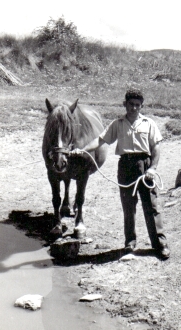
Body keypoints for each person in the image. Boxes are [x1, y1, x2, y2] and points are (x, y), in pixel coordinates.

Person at [70, 88, 170, 259]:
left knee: (152, 206)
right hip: (125, 166)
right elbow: (101, 140)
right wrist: (82, 150)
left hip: (144, 165)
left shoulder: (149, 123)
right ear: (125, 104)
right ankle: (130, 244)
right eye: (131, 104)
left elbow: (156, 147)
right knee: (128, 207)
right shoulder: (118, 124)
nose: (134, 108)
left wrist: (152, 168)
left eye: (138, 105)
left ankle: (160, 245)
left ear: (141, 106)